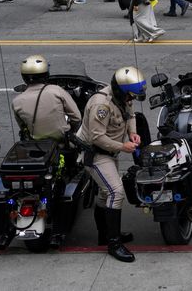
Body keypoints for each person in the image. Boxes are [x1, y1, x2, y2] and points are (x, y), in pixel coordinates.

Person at [77, 67, 145, 263]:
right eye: (131, 95)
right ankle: (114, 244)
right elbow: (96, 137)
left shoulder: (123, 97)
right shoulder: (102, 105)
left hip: (110, 152)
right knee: (116, 192)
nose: (131, 99)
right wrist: (123, 146)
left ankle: (104, 235)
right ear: (121, 90)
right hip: (96, 154)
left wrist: (132, 132)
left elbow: (130, 114)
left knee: (105, 193)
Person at [12, 55, 81, 141]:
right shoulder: (57, 91)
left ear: (24, 77)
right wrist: (72, 130)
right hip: (62, 143)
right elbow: (77, 118)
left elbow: (23, 127)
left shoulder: (16, 102)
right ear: (46, 74)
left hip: (36, 146)